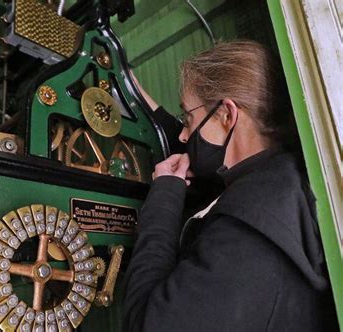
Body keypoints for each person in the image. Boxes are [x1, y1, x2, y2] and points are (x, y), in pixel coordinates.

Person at [123, 41, 338, 331]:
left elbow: (144, 325)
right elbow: (192, 140)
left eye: (188, 117)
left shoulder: (244, 235)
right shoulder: (281, 181)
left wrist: (162, 200)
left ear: (227, 115)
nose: (185, 135)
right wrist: (128, 86)